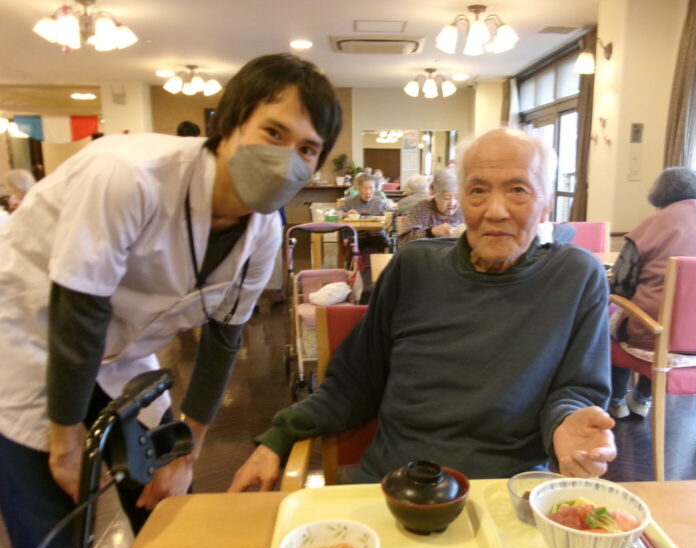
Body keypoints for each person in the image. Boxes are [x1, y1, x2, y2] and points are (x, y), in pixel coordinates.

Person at [0, 53, 341, 548]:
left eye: (306, 149)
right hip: (27, 340)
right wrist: (63, 439)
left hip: (121, 354)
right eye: (273, 133)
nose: (286, 159)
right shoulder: (128, 176)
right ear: (229, 125)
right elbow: (79, 311)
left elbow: (224, 339)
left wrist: (188, 450)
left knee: (168, 506)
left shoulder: (263, 234)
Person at [229, 128, 615, 492]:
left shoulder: (576, 276)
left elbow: (577, 388)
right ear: (460, 201)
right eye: (478, 190)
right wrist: (279, 437)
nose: (495, 210)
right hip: (394, 484)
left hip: (509, 493)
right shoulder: (414, 267)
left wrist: (567, 422)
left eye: (518, 190)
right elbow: (356, 380)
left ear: (546, 204)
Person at [607, 167, 696, 419]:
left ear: (659, 196)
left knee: (607, 313)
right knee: (672, 317)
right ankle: (642, 397)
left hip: (661, 336)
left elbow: (621, 286)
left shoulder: (652, 227)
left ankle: (616, 400)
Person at [399, 168, 463, 247]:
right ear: (435, 194)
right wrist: (431, 232)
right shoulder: (421, 209)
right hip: (427, 254)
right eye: (447, 198)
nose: (452, 203)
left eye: (457, 197)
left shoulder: (464, 210)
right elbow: (404, 242)